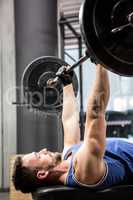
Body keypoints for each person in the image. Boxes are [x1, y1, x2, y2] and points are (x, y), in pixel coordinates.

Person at [12, 64, 133, 194]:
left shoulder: (68, 156)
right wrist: (101, 63)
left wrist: (67, 84)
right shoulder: (84, 170)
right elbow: (95, 113)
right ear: (42, 174)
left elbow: (69, 120)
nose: (44, 150)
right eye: (39, 156)